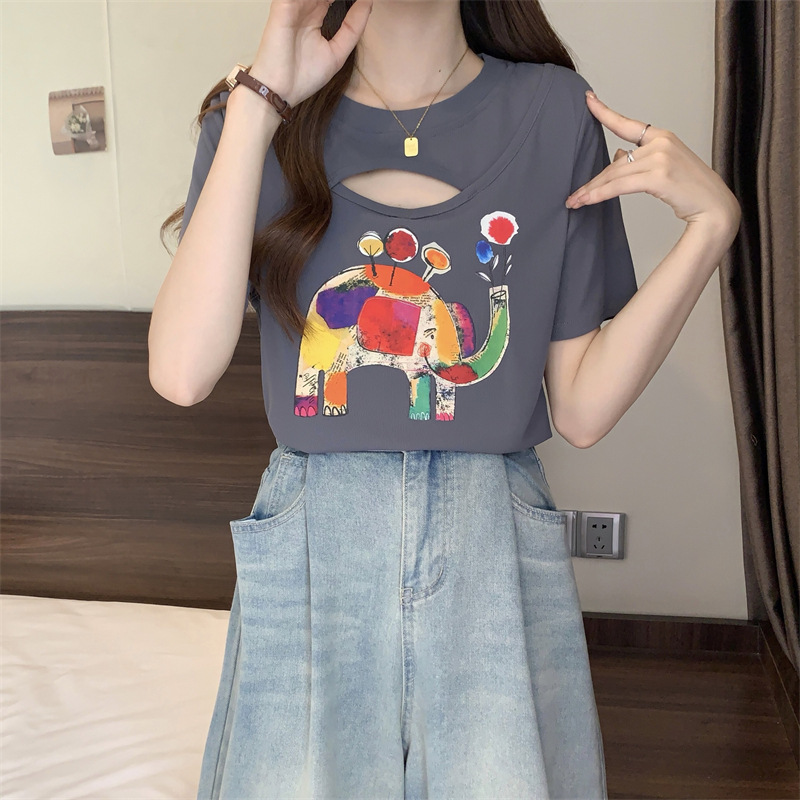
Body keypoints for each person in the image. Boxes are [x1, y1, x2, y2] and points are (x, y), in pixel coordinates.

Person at [150, 0, 741, 797]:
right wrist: (258, 107)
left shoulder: (555, 111)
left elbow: (580, 408)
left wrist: (711, 226)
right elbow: (181, 373)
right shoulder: (254, 115)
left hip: (490, 536)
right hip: (317, 538)